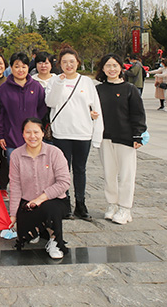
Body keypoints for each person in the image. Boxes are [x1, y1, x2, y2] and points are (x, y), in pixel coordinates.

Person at [45, 46, 103, 221]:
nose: (68, 65)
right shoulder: (54, 81)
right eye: (64, 62)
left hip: (82, 133)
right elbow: (50, 102)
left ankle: (80, 203)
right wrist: (59, 83)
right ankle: (65, 203)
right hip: (61, 133)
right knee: (63, 170)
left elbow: (96, 107)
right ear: (59, 64)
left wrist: (97, 134)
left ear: (77, 62)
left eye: (72, 61)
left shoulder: (86, 82)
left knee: (80, 169)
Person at [9, 118, 71, 259]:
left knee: (50, 209)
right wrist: (13, 215)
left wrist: (40, 198)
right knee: (24, 233)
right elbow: (15, 186)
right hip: (28, 202)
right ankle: (38, 230)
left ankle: (55, 241)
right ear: (22, 134)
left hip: (54, 200)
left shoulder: (54, 152)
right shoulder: (16, 155)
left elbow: (64, 182)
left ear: (43, 133)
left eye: (36, 132)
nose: (32, 136)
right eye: (28, 132)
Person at [95, 53, 147, 225]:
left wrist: (138, 134)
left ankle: (125, 208)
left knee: (126, 174)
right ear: (103, 69)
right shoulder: (98, 90)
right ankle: (112, 204)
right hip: (105, 138)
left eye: (115, 65)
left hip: (126, 138)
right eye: (108, 66)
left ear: (121, 68)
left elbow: (138, 114)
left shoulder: (130, 89)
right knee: (109, 173)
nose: (112, 69)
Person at [0, 52, 47, 198]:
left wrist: (36, 129)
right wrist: (0, 135)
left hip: (32, 139)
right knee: (15, 172)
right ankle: (17, 200)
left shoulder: (36, 87)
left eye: (24, 66)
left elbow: (42, 109)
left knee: (33, 170)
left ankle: (31, 198)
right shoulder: (3, 89)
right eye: (17, 66)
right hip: (11, 138)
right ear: (11, 68)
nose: (20, 70)